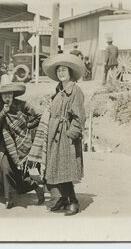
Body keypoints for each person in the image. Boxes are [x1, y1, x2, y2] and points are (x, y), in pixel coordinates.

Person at [0, 74, 44, 209]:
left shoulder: (22, 104)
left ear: (13, 93)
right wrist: (3, 112)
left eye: (9, 93)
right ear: (0, 96)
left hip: (21, 141)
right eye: (4, 94)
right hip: (2, 143)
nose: (7, 97)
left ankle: (36, 187)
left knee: (24, 170)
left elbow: (39, 115)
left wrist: (27, 126)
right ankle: (9, 198)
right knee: (6, 169)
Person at [41, 54, 86, 216]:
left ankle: (73, 200)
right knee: (55, 168)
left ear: (70, 72)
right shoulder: (59, 90)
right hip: (55, 134)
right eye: (59, 70)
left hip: (66, 135)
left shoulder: (75, 90)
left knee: (65, 169)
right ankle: (63, 199)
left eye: (64, 70)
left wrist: (71, 134)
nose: (61, 73)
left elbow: (79, 116)